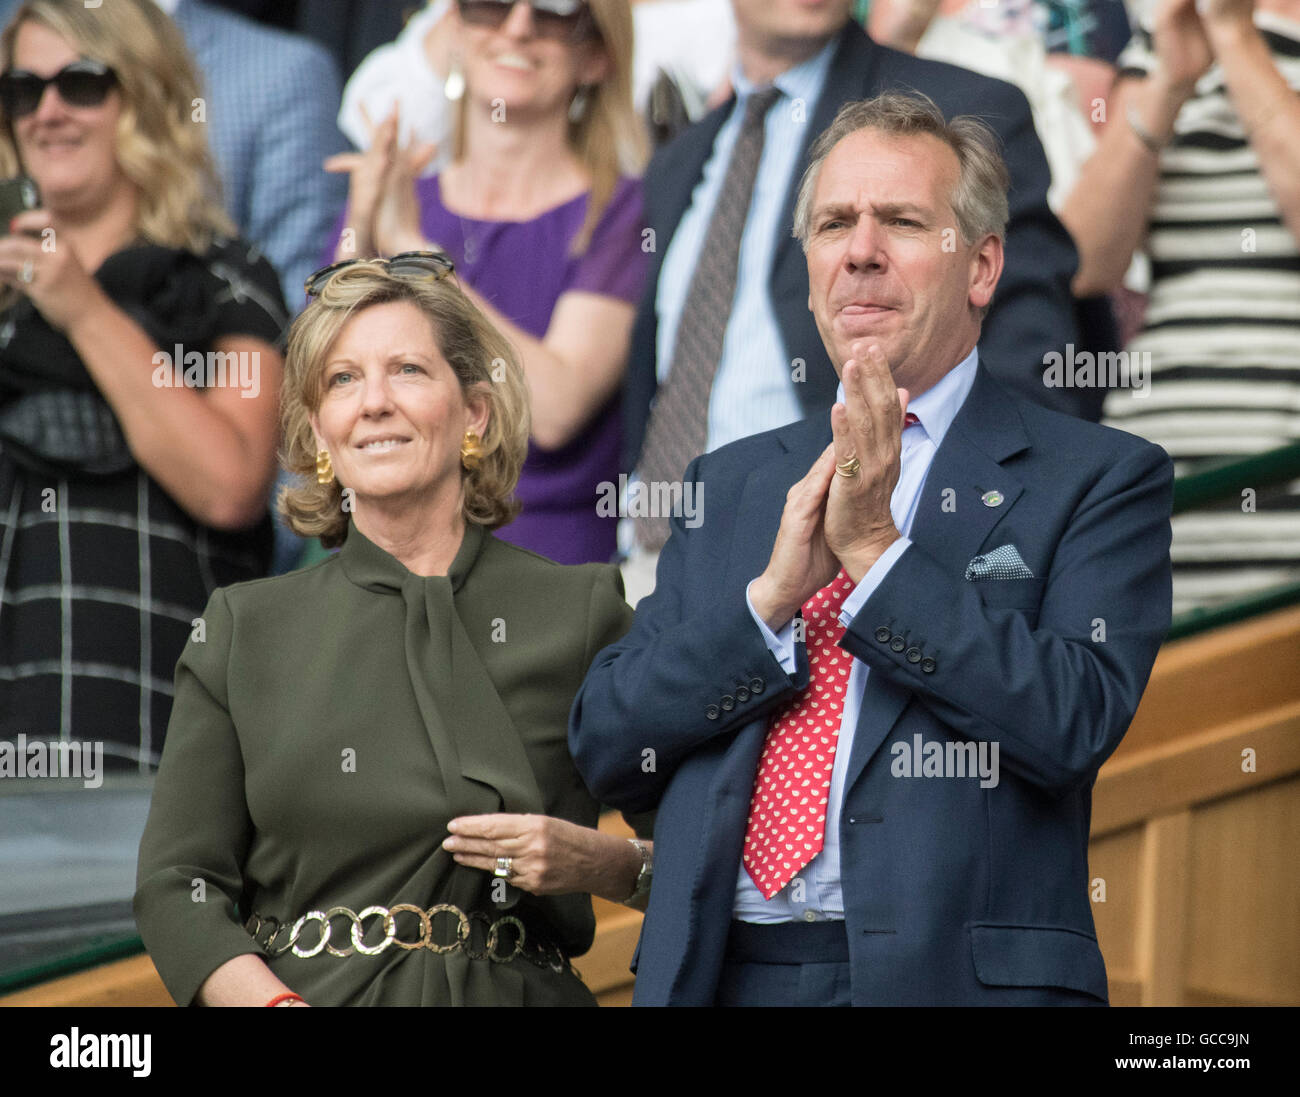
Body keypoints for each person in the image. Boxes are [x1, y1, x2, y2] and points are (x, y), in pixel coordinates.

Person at [569, 92, 1174, 1006]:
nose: (860, 250)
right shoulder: (727, 483)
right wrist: (767, 604)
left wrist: (882, 559)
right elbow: (610, 744)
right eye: (834, 223)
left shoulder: (1094, 476)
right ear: (809, 263)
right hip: (724, 977)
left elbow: (1071, 720)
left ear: (980, 267)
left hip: (948, 984)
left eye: (900, 220)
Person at [135, 258, 652, 1008]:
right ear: (319, 431)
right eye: (343, 380)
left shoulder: (580, 609)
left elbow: (708, 856)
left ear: (474, 411)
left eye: (407, 369)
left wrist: (600, 862)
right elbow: (176, 884)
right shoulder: (244, 629)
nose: (373, 403)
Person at [621, 0, 1084, 581]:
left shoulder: (961, 113)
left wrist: (907, 560)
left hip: (848, 564)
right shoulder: (680, 160)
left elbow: (1032, 381)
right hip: (655, 560)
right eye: (836, 224)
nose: (861, 248)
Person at [0, 0, 285, 771]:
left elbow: (230, 481)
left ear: (147, 95)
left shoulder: (226, 277)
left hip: (149, 722)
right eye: (24, 90)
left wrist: (82, 308)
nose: (48, 111)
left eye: (82, 83)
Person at [329, 0, 649, 566]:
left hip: (545, 573)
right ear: (453, 29)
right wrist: (360, 226)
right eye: (490, 6)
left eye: (553, 13)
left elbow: (554, 409)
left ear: (595, 54)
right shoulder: (398, 200)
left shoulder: (622, 212)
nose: (518, 27)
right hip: (385, 557)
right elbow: (318, 389)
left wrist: (414, 250)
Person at [1060, 0, 1300, 615]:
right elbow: (1086, 261)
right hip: (1160, 460)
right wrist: (1169, 82)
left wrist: (1234, 33)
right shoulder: (1161, 37)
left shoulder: (1228, 26)